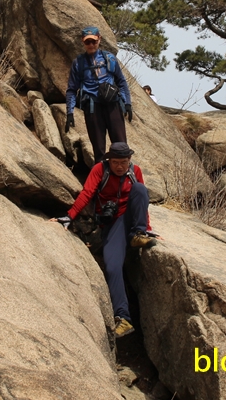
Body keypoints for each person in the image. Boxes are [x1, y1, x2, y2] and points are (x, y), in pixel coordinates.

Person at [51, 142, 157, 338]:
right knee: (112, 266)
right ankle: (123, 318)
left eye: (123, 162)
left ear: (129, 160)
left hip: (132, 219)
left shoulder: (135, 171)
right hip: (113, 224)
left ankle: (138, 234)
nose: (119, 166)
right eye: (115, 162)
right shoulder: (100, 170)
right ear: (109, 160)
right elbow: (87, 193)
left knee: (140, 189)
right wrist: (69, 216)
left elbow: (142, 202)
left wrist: (147, 228)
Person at [65, 26, 132, 164]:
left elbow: (121, 82)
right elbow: (71, 89)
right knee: (99, 149)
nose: (91, 45)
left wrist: (127, 104)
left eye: (93, 41)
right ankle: (103, 176)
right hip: (93, 108)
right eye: (87, 42)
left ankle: (125, 175)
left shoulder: (109, 58)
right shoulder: (78, 63)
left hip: (113, 105)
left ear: (99, 39)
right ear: (82, 41)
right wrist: (69, 112)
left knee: (121, 147)